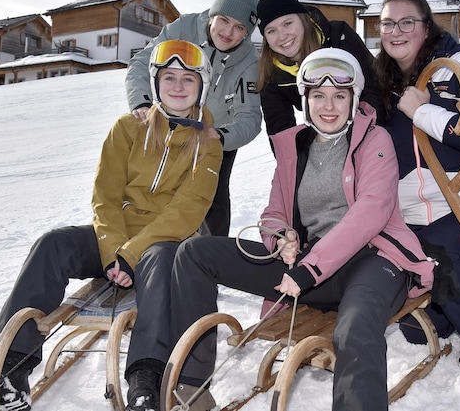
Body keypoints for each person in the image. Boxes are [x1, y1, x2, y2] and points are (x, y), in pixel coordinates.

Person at [0, 40, 223, 411]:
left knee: (160, 258)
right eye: (169, 78)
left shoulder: (208, 143)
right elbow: (105, 196)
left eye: (187, 80)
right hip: (114, 240)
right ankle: (10, 364)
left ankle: (145, 381)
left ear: (201, 86)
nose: (177, 87)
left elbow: (188, 210)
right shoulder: (129, 128)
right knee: (53, 243)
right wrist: (115, 251)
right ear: (155, 82)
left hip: (163, 245)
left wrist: (132, 254)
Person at [168, 48, 436, 411]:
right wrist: (281, 237)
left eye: (340, 96)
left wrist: (309, 267)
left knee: (355, 326)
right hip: (309, 266)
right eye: (318, 95)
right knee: (195, 253)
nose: (329, 105)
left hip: (373, 262)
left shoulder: (376, 141)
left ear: (354, 99)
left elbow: (372, 211)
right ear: (305, 99)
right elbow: (274, 212)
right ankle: (191, 385)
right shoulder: (293, 147)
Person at [373, 0, 460, 368]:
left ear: (426, 25)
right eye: (387, 23)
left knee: (435, 253)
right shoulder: (381, 81)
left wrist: (426, 113)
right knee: (418, 329)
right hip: (416, 213)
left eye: (406, 22)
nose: (395, 31)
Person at [125, 0, 262, 238]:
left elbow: (250, 117)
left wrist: (221, 136)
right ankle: (142, 247)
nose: (228, 32)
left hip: (214, 135)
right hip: (170, 125)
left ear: (247, 32)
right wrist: (142, 102)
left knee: (212, 196)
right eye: (224, 20)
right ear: (213, 15)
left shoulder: (249, 62)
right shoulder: (184, 28)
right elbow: (142, 62)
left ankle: (211, 257)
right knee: (154, 189)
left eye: (239, 27)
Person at [255, 0, 384, 138]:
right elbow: (280, 130)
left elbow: (375, 85)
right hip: (327, 125)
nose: (282, 36)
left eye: (287, 23)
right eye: (271, 31)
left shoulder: (338, 37)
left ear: (303, 20)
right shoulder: (272, 71)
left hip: (373, 125)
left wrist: (358, 131)